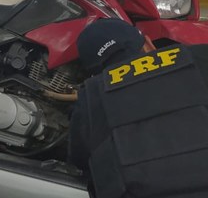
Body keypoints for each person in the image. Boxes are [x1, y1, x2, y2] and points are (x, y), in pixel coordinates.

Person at [68, 18, 208, 197]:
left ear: (94, 72)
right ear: (149, 44)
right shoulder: (201, 57)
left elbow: (79, 161)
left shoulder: (90, 97)